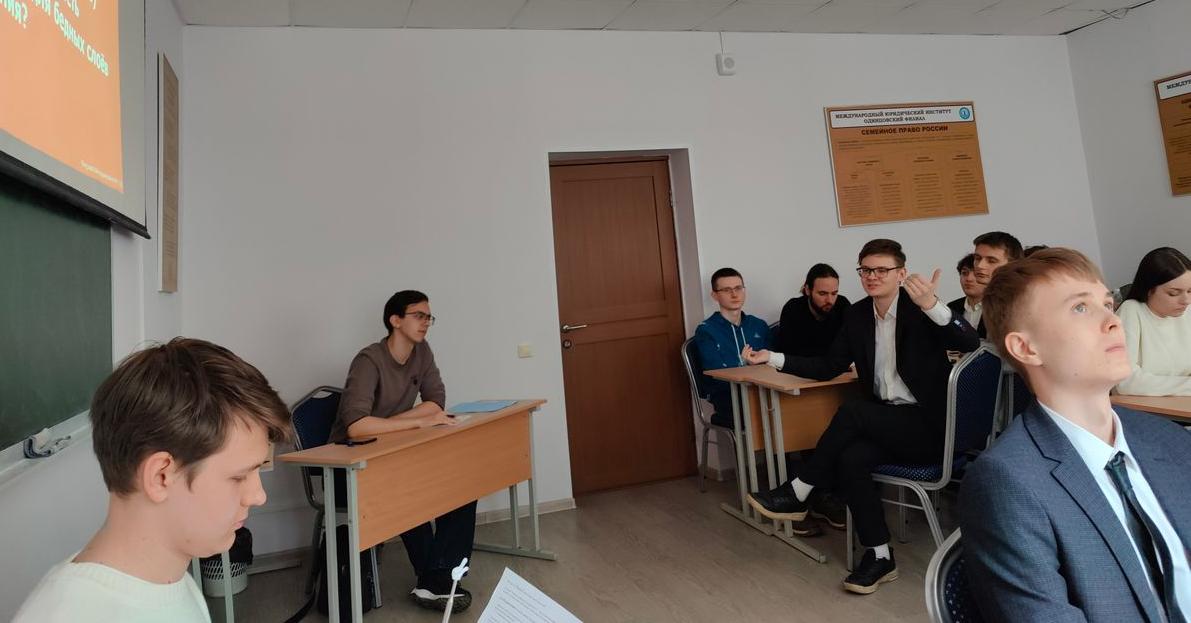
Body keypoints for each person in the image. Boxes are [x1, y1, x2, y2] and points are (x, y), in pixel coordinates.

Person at [959, 248, 1191, 622]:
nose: (1112, 320)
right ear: (1026, 348)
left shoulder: (1169, 438)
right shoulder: (1007, 483)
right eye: (1080, 308)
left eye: (1107, 304)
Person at [742, 239, 979, 594]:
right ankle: (880, 556)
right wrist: (773, 358)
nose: (872, 276)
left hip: (929, 428)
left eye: (882, 270)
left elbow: (970, 342)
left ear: (901, 273)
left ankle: (800, 489)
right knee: (851, 459)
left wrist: (932, 305)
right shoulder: (856, 315)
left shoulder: (920, 309)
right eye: (866, 270)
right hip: (888, 424)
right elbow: (829, 365)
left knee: (853, 410)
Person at [14, 338, 292, 623]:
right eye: (239, 477)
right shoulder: (71, 615)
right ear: (160, 477)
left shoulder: (172, 579)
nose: (258, 496)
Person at [332, 289, 474, 613]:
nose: (426, 323)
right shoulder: (369, 360)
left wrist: (392, 423)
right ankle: (434, 582)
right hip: (349, 463)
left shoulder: (422, 353)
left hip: (394, 453)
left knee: (462, 486)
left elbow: (436, 402)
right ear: (395, 320)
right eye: (418, 315)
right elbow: (356, 427)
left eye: (429, 317)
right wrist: (417, 422)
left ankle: (440, 577)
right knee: (408, 491)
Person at [692, 268, 771, 428]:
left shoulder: (758, 325)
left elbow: (773, 363)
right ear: (715, 295)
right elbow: (716, 375)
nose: (734, 295)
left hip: (764, 392)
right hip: (729, 397)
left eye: (738, 288)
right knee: (763, 413)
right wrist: (743, 364)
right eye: (727, 290)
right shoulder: (706, 331)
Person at [1115, 247, 1191, 396]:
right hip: (1140, 406)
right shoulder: (1131, 311)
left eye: (1190, 291)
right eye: (1173, 293)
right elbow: (1124, 382)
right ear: (1149, 290)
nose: (1186, 300)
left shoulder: (1187, 311)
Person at [776, 263, 852, 357]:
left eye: (834, 293)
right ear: (808, 290)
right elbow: (788, 354)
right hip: (800, 366)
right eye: (822, 293)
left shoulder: (842, 305)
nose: (830, 300)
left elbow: (852, 345)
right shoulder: (792, 309)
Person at [948, 253, 986, 338]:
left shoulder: (1000, 308)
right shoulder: (952, 308)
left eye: (977, 274)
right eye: (964, 273)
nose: (969, 279)